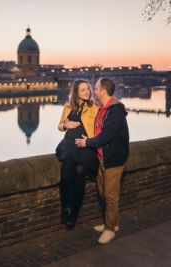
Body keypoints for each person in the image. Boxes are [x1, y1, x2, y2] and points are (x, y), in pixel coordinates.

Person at [75, 78, 129, 243]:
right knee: (103, 193)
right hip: (101, 157)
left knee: (111, 196)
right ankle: (112, 221)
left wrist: (87, 142)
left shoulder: (115, 110)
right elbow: (98, 130)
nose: (94, 91)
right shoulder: (103, 109)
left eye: (96, 88)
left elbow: (106, 136)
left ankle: (110, 229)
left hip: (113, 159)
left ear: (103, 91)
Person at [57, 79, 99, 230]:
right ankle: (66, 207)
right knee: (67, 175)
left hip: (85, 148)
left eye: (88, 89)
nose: (87, 92)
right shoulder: (68, 107)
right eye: (82, 90)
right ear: (76, 92)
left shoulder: (94, 107)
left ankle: (73, 214)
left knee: (80, 173)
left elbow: (100, 128)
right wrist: (65, 125)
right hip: (69, 146)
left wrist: (89, 141)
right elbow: (60, 126)